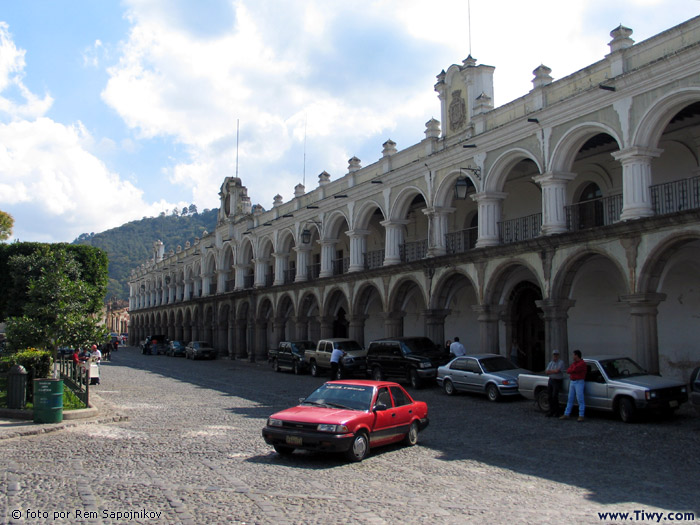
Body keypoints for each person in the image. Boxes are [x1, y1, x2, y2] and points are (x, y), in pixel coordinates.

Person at [560, 349, 587, 421]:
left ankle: (581, 415)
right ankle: (567, 413)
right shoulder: (575, 363)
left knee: (580, 398)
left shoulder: (581, 363)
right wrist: (572, 370)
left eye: (573, 355)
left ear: (576, 355)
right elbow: (569, 370)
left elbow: (572, 370)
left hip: (579, 382)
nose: (572, 356)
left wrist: (572, 370)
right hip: (573, 381)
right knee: (570, 398)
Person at [544, 349, 565, 417]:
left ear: (558, 355)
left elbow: (557, 371)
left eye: (556, 355)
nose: (555, 356)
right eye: (554, 355)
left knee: (554, 396)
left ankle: (557, 412)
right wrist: (553, 371)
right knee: (549, 396)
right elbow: (547, 372)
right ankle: (551, 411)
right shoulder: (551, 363)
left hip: (557, 380)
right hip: (551, 380)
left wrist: (551, 371)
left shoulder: (561, 362)